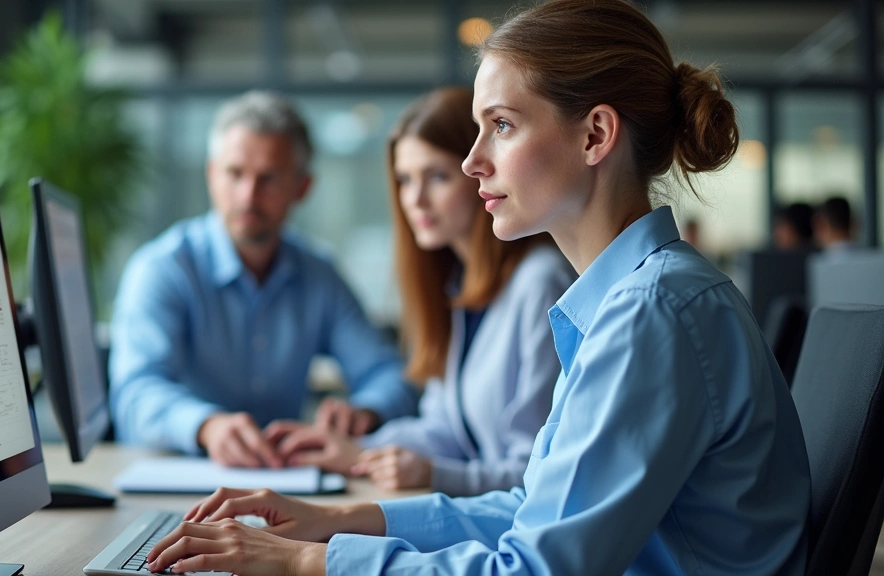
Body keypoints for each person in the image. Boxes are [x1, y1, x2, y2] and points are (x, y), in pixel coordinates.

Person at [145, 1, 811, 574]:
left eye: (502, 125)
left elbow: (535, 567)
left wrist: (305, 561)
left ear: (596, 135)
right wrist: (343, 519)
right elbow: (534, 510)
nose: (472, 162)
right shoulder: (629, 299)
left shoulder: (653, 313)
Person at [266, 87, 574, 495]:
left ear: (483, 172)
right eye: (405, 180)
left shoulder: (540, 283)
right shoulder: (457, 284)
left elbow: (538, 474)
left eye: (437, 177)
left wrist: (434, 475)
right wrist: (354, 450)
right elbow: (444, 431)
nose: (415, 200)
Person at [108, 91, 418, 467]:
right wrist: (207, 427)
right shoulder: (162, 269)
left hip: (282, 483)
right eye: (234, 174)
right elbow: (135, 394)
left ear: (302, 188)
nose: (247, 196)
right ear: (211, 175)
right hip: (173, 481)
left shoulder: (318, 275)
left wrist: (365, 411)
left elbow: (388, 374)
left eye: (268, 178)